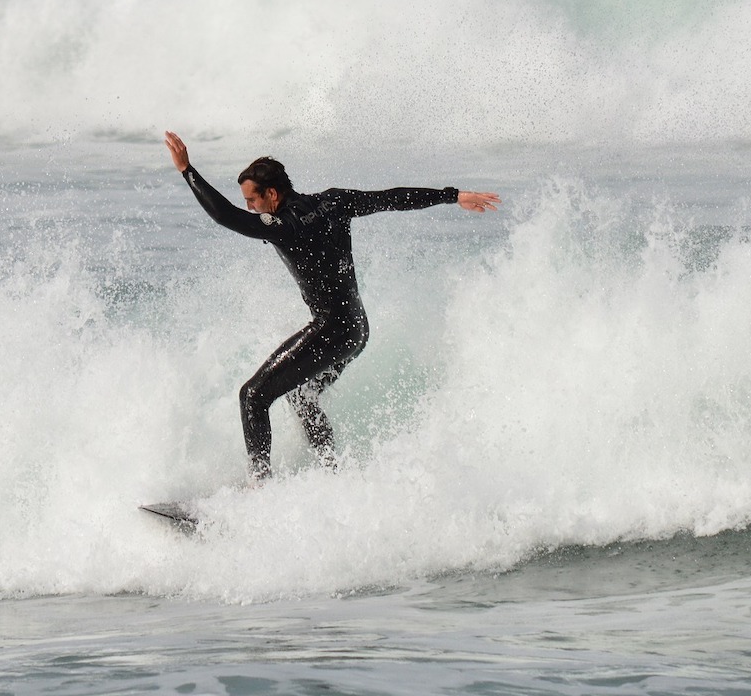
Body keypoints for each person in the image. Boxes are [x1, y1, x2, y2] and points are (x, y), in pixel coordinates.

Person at [164, 130, 500, 482]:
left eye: (253, 200)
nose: (250, 207)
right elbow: (392, 199)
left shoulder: (285, 225)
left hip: (331, 330)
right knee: (302, 398)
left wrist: (188, 170)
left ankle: (258, 489)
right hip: (356, 331)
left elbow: (227, 216)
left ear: (272, 194)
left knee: (253, 396)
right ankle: (333, 474)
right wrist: (454, 196)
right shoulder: (335, 201)